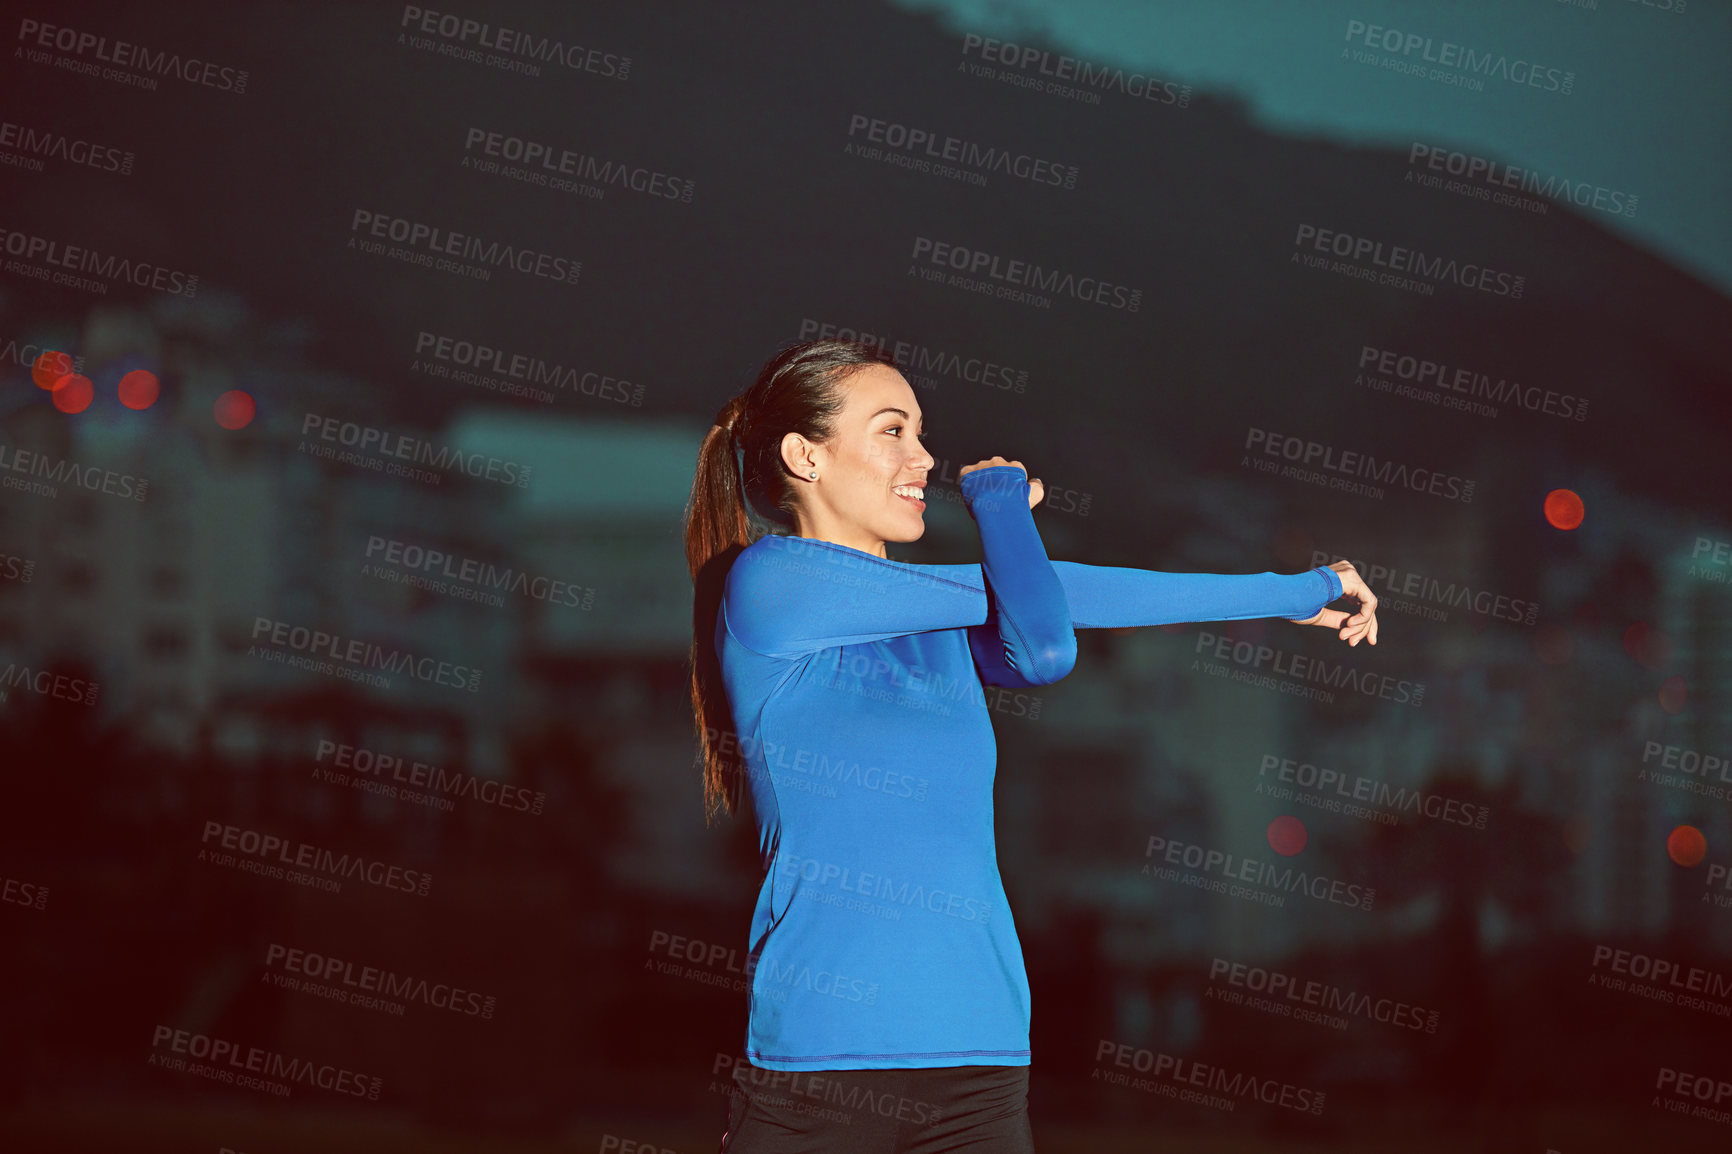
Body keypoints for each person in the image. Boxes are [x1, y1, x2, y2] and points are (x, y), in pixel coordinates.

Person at [683, 339, 1379, 1152]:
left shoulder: (940, 628)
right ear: (806, 455)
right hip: (822, 1068)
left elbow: (1051, 627)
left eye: (921, 432)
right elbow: (1048, 631)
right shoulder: (771, 584)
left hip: (980, 1061)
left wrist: (1299, 591)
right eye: (893, 431)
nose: (924, 456)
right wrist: (1001, 501)